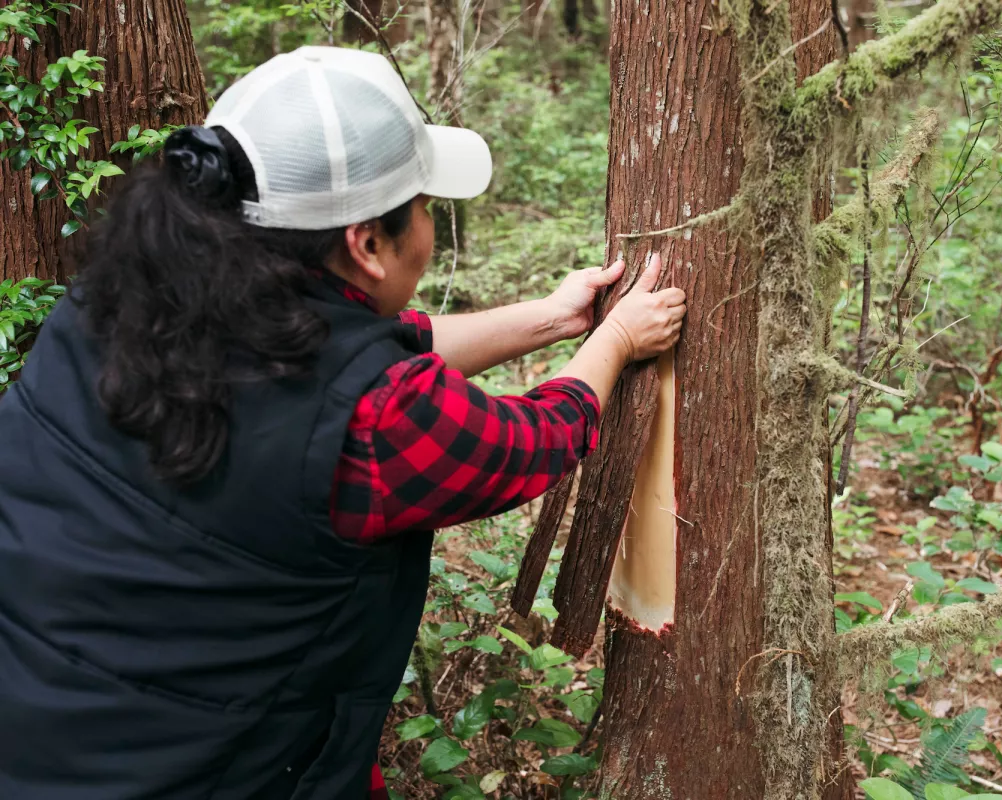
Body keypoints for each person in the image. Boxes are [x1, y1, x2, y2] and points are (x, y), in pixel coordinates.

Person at [0, 46, 685, 800]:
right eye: (423, 208)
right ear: (365, 243)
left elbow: (357, 361)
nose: (428, 225)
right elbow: (529, 440)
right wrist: (617, 342)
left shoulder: (117, 302)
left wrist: (549, 320)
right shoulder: (373, 421)